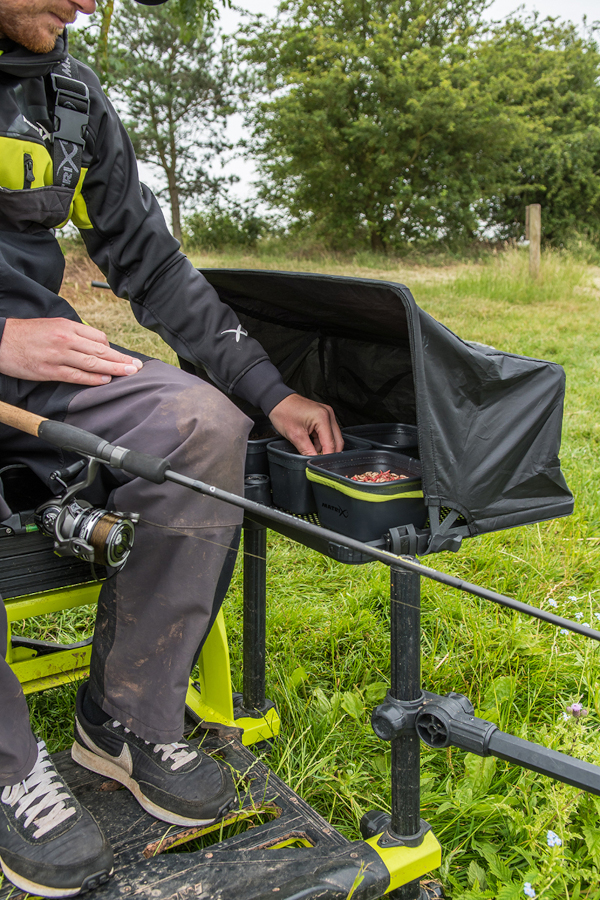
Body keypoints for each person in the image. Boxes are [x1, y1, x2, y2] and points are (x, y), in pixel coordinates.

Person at [0, 0, 343, 894]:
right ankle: (8, 772)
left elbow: (148, 260)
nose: (84, 5)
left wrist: (270, 392)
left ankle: (122, 718)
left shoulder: (70, 92)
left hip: (43, 369)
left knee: (203, 426)